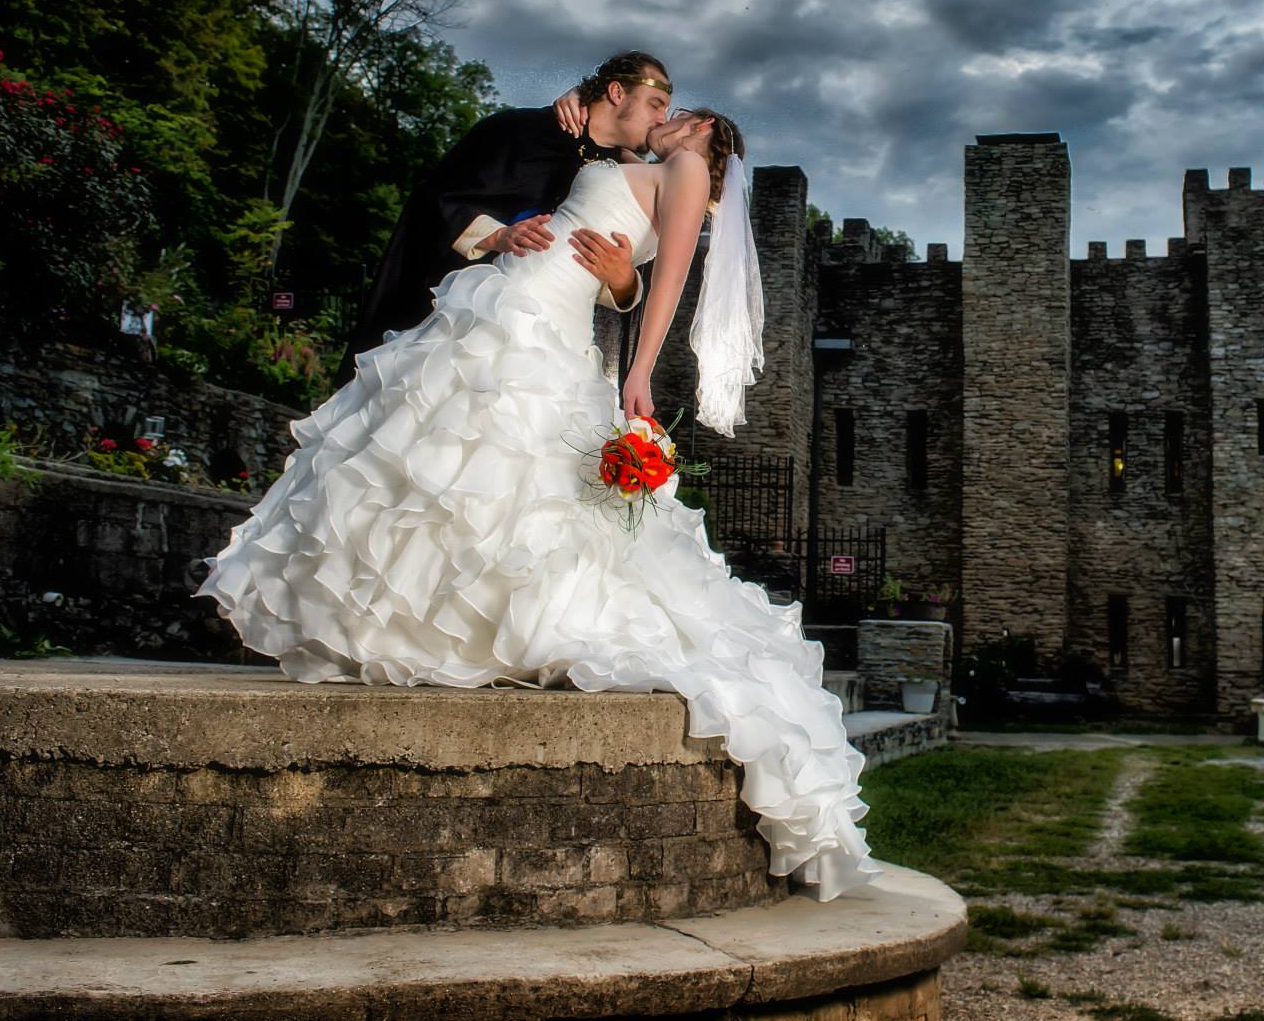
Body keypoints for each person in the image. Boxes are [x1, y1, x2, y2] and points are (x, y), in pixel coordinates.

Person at [199, 109, 880, 902]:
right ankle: (413, 622)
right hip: (503, 300)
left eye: (684, 115)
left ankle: (472, 624)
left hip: (539, 320)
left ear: (708, 137)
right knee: (439, 471)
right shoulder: (625, 156)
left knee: (484, 474)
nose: (669, 119)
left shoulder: (689, 169)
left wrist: (640, 374)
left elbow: (664, 286)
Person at [337, 50, 671, 381]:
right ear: (616, 92)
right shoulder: (516, 130)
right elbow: (434, 199)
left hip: (542, 349)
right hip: (454, 326)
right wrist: (497, 235)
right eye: (655, 104)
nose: (662, 119)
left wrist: (623, 280)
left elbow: (590, 263)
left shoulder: (621, 176)